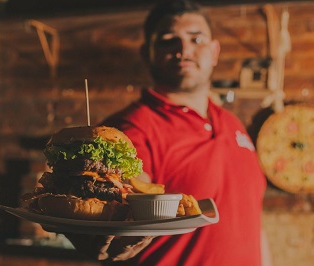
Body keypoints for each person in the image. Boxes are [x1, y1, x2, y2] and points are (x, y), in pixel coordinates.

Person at [63, 0, 270, 265]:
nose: (184, 49)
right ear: (147, 53)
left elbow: (252, 220)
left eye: (196, 39)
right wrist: (110, 239)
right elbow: (121, 206)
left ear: (215, 51)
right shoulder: (130, 128)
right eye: (167, 40)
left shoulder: (233, 123)